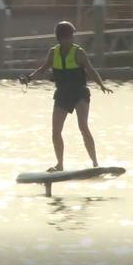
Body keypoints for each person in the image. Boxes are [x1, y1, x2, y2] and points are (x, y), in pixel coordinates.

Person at [20, 21, 113, 172]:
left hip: (79, 93)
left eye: (72, 36)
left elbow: (90, 70)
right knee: (55, 131)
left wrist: (101, 85)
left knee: (83, 126)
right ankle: (60, 164)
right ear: (60, 38)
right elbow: (43, 68)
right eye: (68, 36)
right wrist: (29, 78)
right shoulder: (53, 52)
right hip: (62, 94)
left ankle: (95, 163)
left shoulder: (79, 52)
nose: (72, 39)